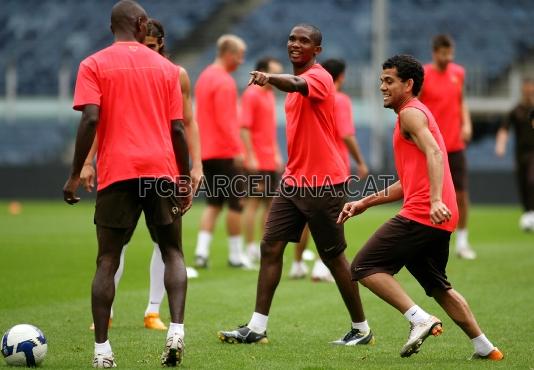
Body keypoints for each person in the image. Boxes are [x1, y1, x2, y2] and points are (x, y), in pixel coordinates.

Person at [338, 54, 503, 360]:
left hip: (423, 214)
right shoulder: (415, 115)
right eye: (381, 81)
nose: (382, 87)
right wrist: (364, 201)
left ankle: (419, 319)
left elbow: (436, 154)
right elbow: (407, 182)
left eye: (389, 81)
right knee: (438, 287)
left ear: (408, 84)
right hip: (436, 218)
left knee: (363, 266)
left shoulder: (410, 115)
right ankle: (485, 347)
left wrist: (436, 200)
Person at [218, 24, 373, 346]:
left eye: (304, 41)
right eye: (292, 38)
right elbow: (293, 86)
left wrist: (269, 78)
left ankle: (362, 329)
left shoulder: (319, 77)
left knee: (333, 258)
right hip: (293, 181)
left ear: (317, 50)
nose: (296, 44)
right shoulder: (293, 89)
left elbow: (297, 83)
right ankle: (257, 328)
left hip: (324, 184)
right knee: (270, 246)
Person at [63, 1, 190, 367]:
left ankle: (102, 351)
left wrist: (75, 173)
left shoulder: (94, 64)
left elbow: (90, 119)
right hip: (160, 171)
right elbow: (177, 128)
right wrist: (182, 178)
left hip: (118, 172)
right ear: (139, 23)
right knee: (172, 253)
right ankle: (176, 330)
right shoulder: (166, 68)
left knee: (107, 259)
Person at [81, 18, 203, 332]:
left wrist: (196, 165)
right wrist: (88, 161)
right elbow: (101, 118)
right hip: (136, 165)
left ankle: (152, 311)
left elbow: (187, 122)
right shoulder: (122, 70)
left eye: (149, 46)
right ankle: (106, 313)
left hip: (159, 167)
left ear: (160, 44)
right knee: (118, 245)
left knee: (162, 245)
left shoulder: (175, 74)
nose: (142, 50)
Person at [290, 58, 369, 281]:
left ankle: (297, 264)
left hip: (308, 165)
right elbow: (345, 133)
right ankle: (321, 266)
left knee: (306, 218)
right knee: (332, 220)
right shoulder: (340, 99)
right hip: (333, 168)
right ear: (342, 76)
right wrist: (361, 161)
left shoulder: (305, 94)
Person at [194, 34, 252, 269]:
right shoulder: (224, 81)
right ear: (229, 54)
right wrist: (238, 149)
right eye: (239, 56)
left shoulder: (204, 77)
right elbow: (227, 121)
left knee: (213, 203)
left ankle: (201, 251)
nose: (241, 61)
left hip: (207, 152)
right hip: (225, 152)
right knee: (236, 203)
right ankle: (236, 255)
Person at [419, 34, 475, 259]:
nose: (448, 57)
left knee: (461, 193)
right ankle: (423, 241)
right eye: (443, 53)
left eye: (450, 52)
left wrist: (467, 123)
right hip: (431, 146)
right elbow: (416, 105)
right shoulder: (423, 74)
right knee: (425, 193)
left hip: (454, 144)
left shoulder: (458, 73)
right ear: (435, 52)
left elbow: (461, 101)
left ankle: (462, 242)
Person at [240, 57, 284, 262]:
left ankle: (262, 245)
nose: (275, 77)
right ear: (262, 72)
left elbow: (270, 130)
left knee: (269, 205)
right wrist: (250, 156)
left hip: (269, 160)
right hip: (256, 161)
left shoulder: (269, 96)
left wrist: (276, 153)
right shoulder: (252, 95)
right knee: (253, 204)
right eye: (273, 72)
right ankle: (248, 248)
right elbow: (244, 127)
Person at [495, 78, 534, 231]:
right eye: (527, 90)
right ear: (522, 90)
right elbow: (504, 129)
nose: (529, 92)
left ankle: (531, 212)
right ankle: (527, 213)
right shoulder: (515, 110)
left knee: (532, 180)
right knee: (523, 183)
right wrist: (500, 145)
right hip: (520, 154)